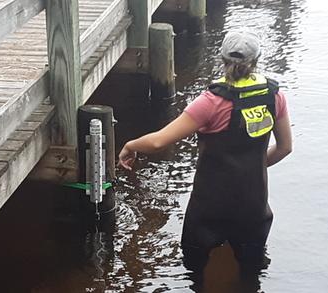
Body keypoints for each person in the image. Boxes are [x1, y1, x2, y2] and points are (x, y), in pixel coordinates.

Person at [118, 31, 292, 286]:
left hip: (209, 206)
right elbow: (285, 148)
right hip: (253, 206)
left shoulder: (211, 102)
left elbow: (158, 142)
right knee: (251, 275)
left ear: (222, 59)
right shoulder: (274, 96)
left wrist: (130, 145)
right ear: (257, 61)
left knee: (195, 272)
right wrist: (250, 166)